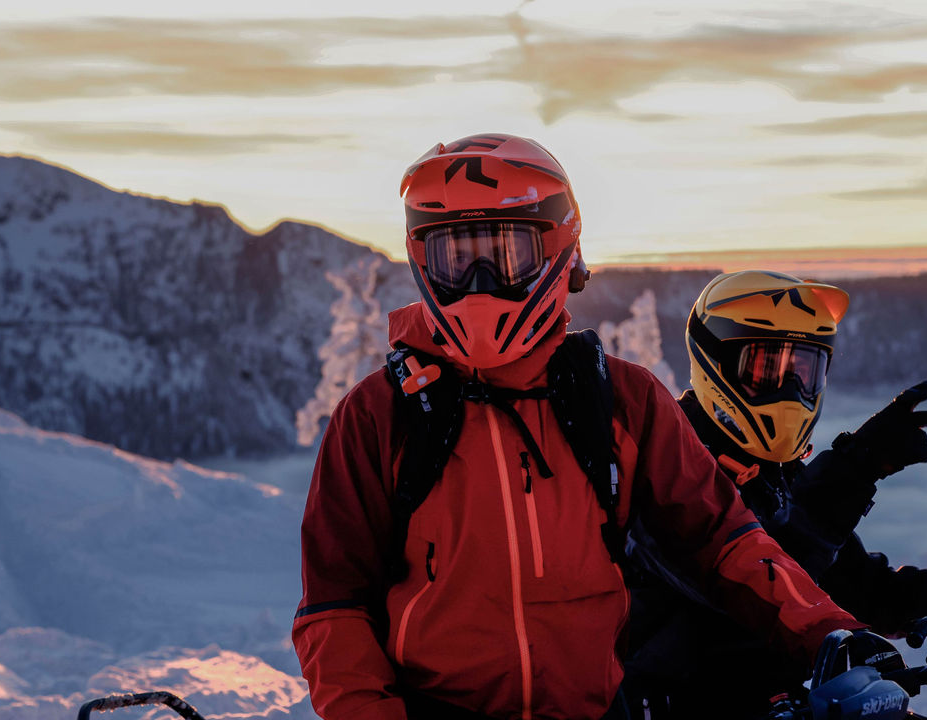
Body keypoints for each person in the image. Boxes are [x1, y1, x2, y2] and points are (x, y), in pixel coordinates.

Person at [291, 136, 866, 720]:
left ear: (559, 250)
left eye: (506, 253)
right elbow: (334, 607)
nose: (481, 283)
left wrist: (829, 632)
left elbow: (724, 540)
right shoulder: (379, 414)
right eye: (457, 260)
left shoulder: (620, 399)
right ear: (423, 261)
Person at [623, 270, 927, 717]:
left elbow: (862, 590)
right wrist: (855, 468)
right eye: (766, 369)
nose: (791, 390)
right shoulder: (666, 470)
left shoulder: (774, 475)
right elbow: (765, 588)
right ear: (713, 363)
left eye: (804, 371)